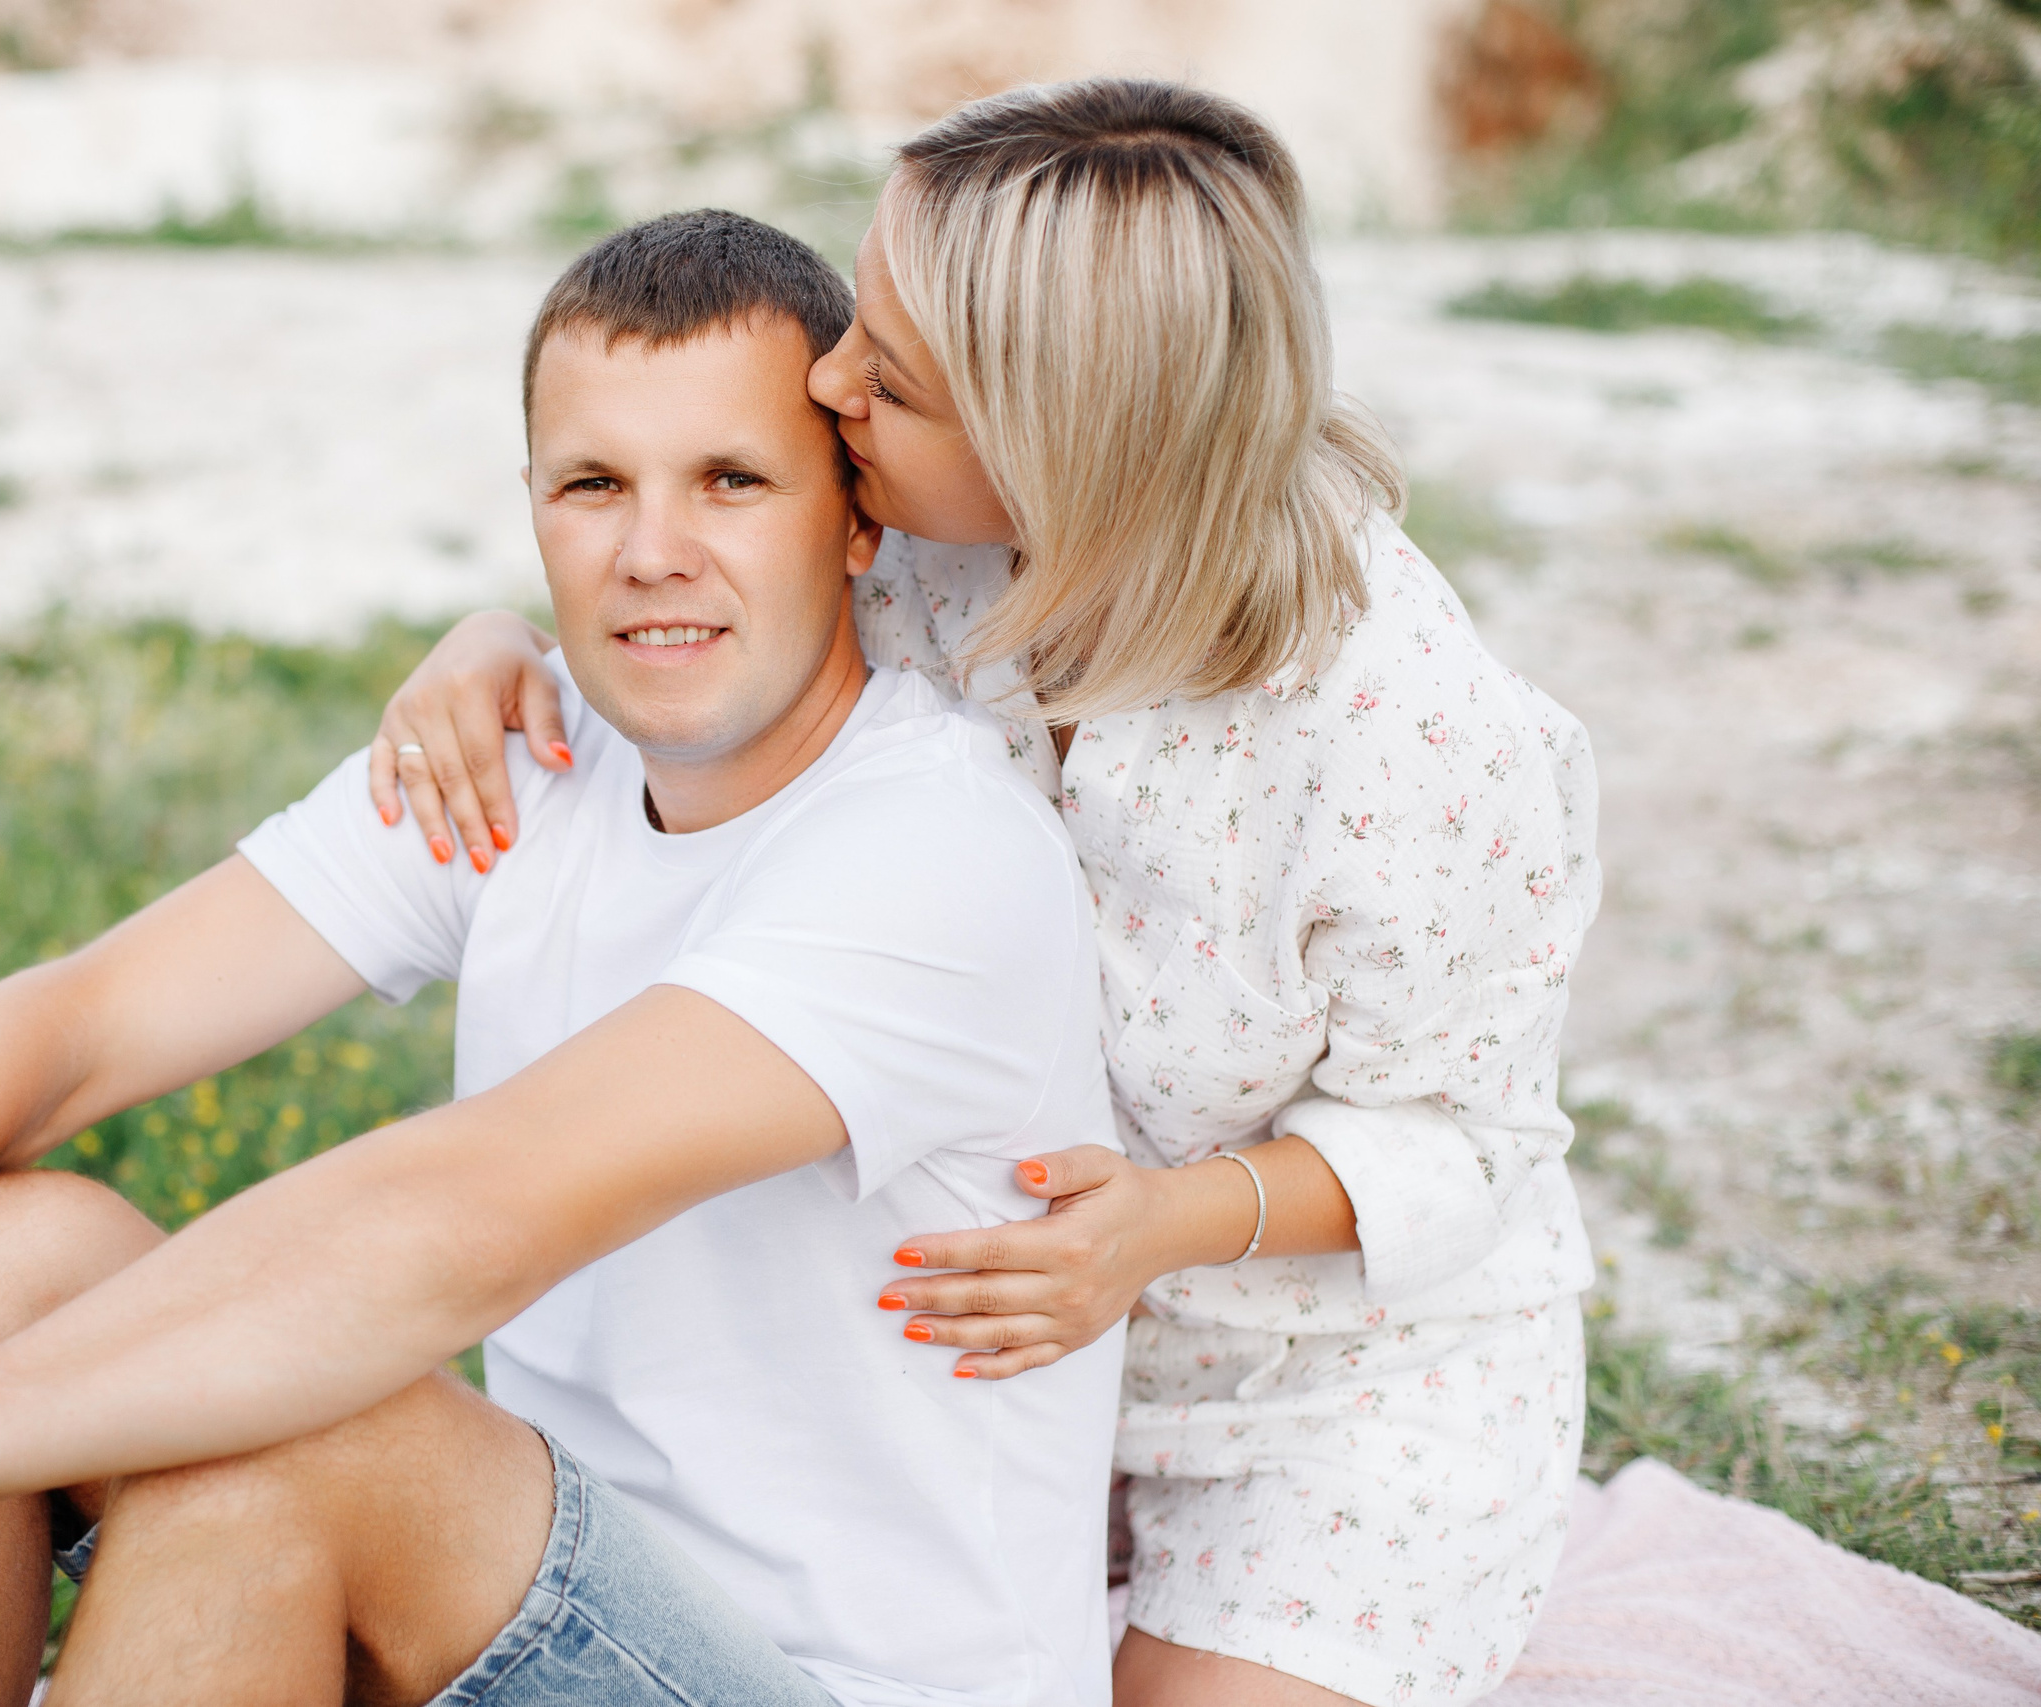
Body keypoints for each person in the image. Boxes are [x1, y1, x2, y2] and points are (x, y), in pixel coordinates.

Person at [0, 210, 1129, 1707]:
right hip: (531, 1598)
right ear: (531, 511)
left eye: (731, 481)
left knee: (301, 1442)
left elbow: (464, 1215)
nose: (653, 552)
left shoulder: (937, 852)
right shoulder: (522, 756)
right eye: (593, 487)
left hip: (829, 1682)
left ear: (857, 524)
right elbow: (69, 1028)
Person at [367, 80, 1601, 1707]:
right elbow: (701, 593)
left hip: (1335, 1384)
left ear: (1058, 446)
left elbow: (1469, 1141)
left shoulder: (1418, 741)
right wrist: (502, 646)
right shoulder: (937, 544)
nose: (829, 382)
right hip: (1001, 1348)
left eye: (889, 376)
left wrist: (1166, 1227)